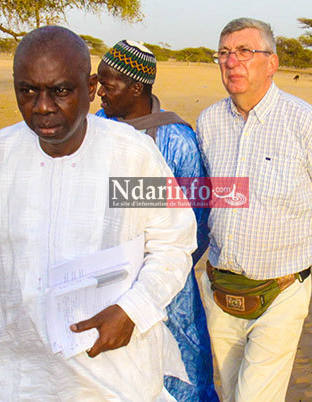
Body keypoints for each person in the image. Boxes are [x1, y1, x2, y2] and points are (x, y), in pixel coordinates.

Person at [0, 26, 197, 400]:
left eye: (60, 91)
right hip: (22, 373)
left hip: (112, 372)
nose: (42, 106)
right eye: (28, 90)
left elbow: (173, 242)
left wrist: (131, 310)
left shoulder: (129, 157)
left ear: (90, 89)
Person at [196, 18, 312, 401]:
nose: (232, 62)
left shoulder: (304, 122)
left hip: (280, 294)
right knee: (232, 391)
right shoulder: (209, 121)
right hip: (221, 291)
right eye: (224, 53)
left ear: (272, 63)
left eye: (245, 52)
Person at [94, 40, 217, 401]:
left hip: (168, 291)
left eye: (108, 84)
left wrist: (157, 279)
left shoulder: (178, 140)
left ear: (136, 87)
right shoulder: (95, 129)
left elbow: (196, 226)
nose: (99, 91)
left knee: (182, 378)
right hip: (105, 282)